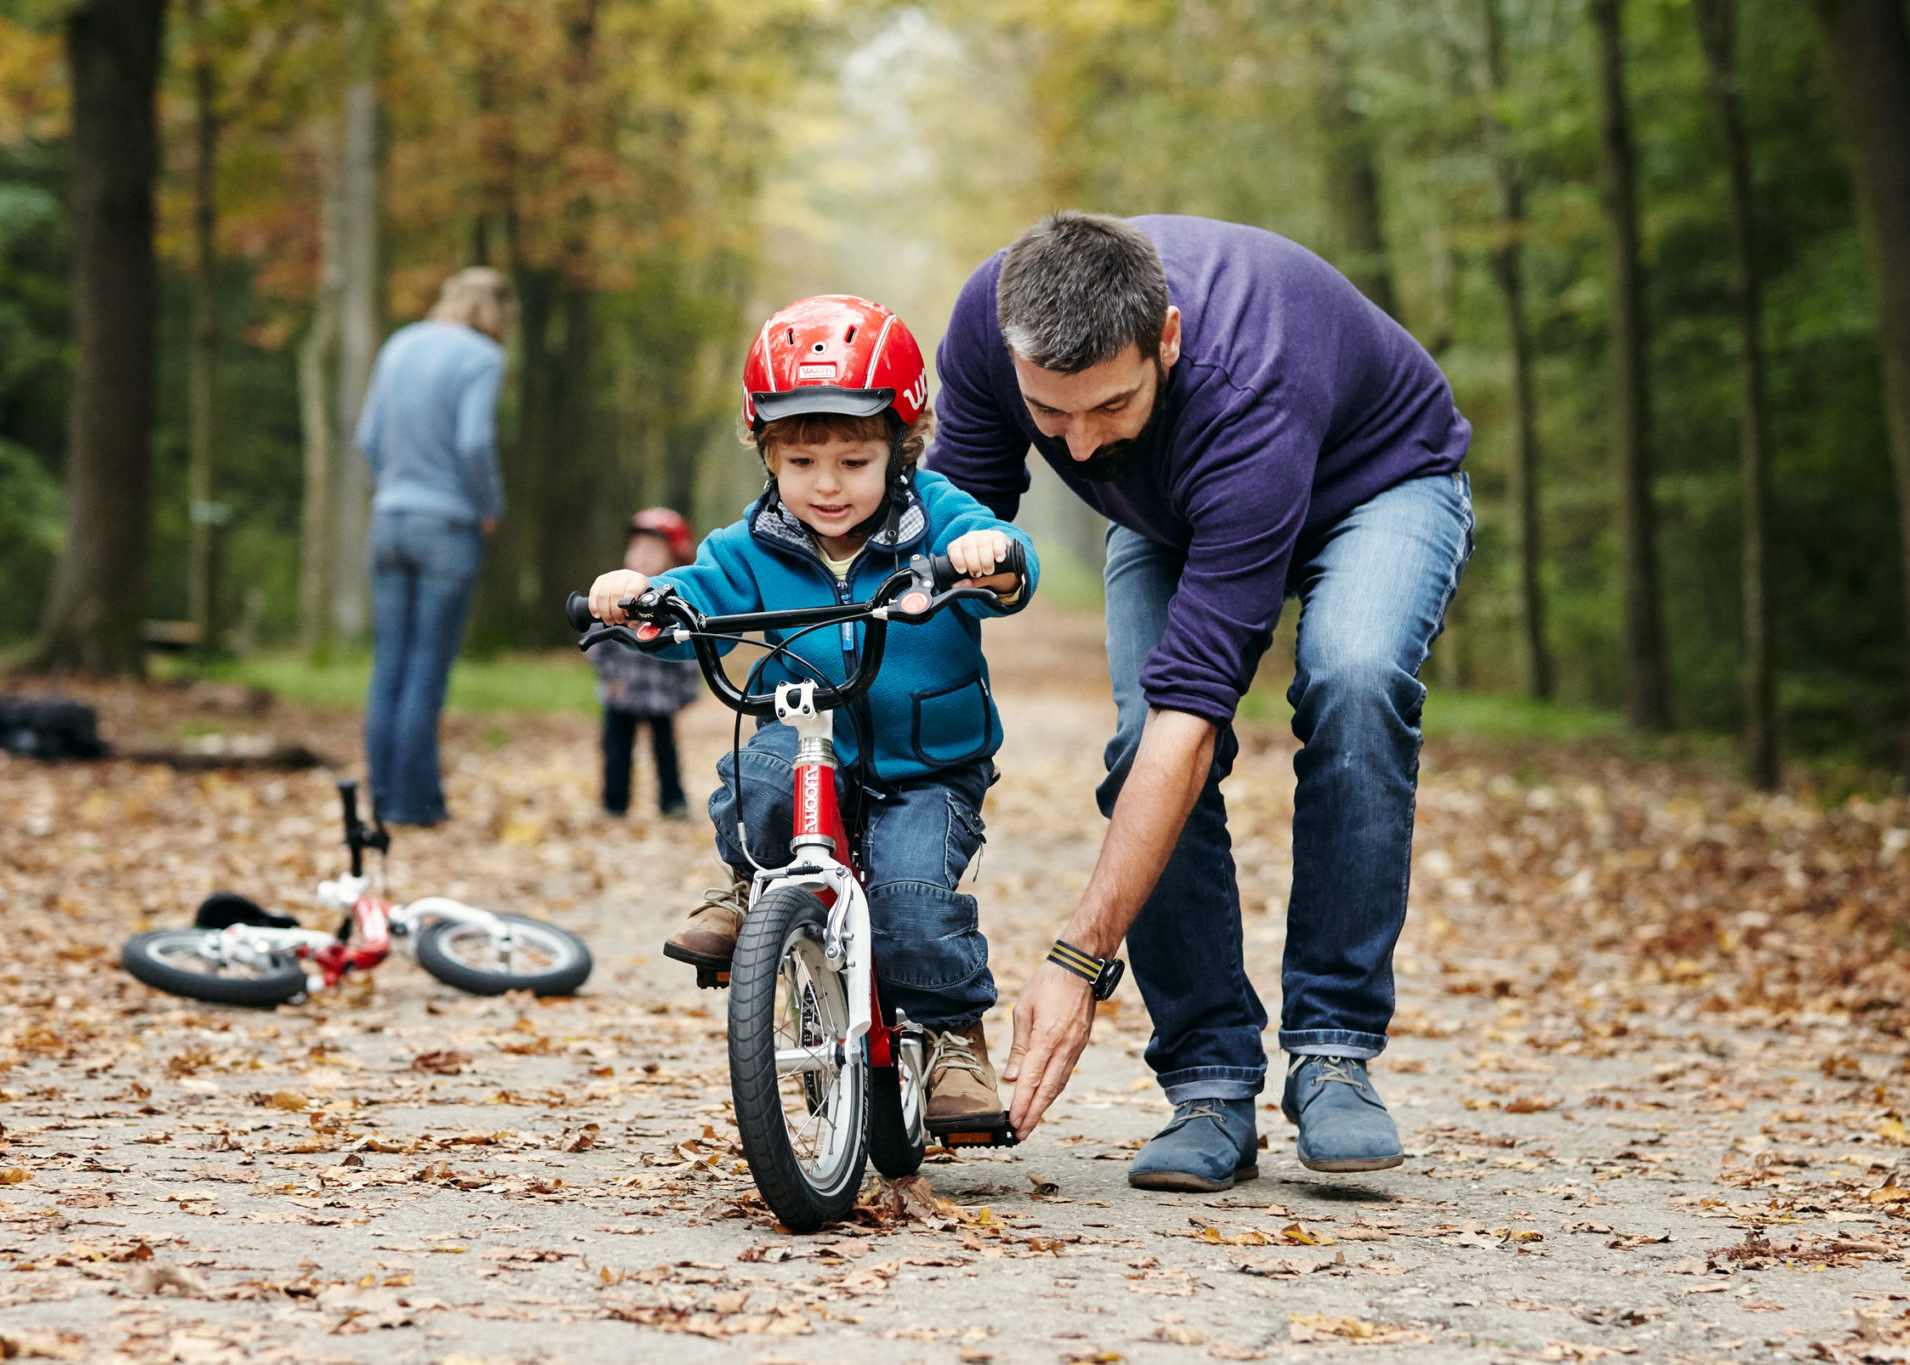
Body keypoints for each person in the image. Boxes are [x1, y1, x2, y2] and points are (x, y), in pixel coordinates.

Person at [924, 212, 1474, 1189]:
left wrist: (1077, 959)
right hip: (1175, 511)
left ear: (1165, 340)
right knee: (1138, 736)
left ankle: (1333, 1053)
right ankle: (1209, 1082)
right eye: (1051, 417)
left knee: (1349, 679)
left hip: (1376, 483)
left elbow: (1195, 718)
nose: (1084, 445)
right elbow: (946, 528)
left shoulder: (1245, 387)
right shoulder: (984, 321)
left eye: (1110, 406)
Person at [584, 295, 1040, 1131]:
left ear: (901, 448)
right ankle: (751, 886)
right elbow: (693, 597)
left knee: (911, 900)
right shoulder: (753, 541)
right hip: (806, 743)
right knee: (757, 765)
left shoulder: (935, 514)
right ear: (766, 453)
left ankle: (951, 1037)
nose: (826, 486)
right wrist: (642, 600)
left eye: (853, 461)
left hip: (922, 767)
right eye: (800, 462)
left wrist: (994, 560)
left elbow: (1011, 569)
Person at [355, 267, 514, 827]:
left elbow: (368, 438)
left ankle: (383, 799)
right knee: (426, 668)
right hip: (446, 526)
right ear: (498, 311)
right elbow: (473, 441)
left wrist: (396, 486)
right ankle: (414, 804)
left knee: (390, 666)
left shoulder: (400, 344)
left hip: (388, 520)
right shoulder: (482, 357)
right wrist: (487, 504)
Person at [591, 508, 699, 820]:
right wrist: (608, 673)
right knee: (616, 749)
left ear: (674, 557)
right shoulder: (612, 596)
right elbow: (596, 640)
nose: (641, 557)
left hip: (660, 694)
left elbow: (690, 646)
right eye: (635, 549)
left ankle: (672, 800)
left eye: (652, 551)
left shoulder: (675, 602)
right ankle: (614, 801)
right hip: (621, 689)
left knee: (665, 749)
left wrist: (685, 691)